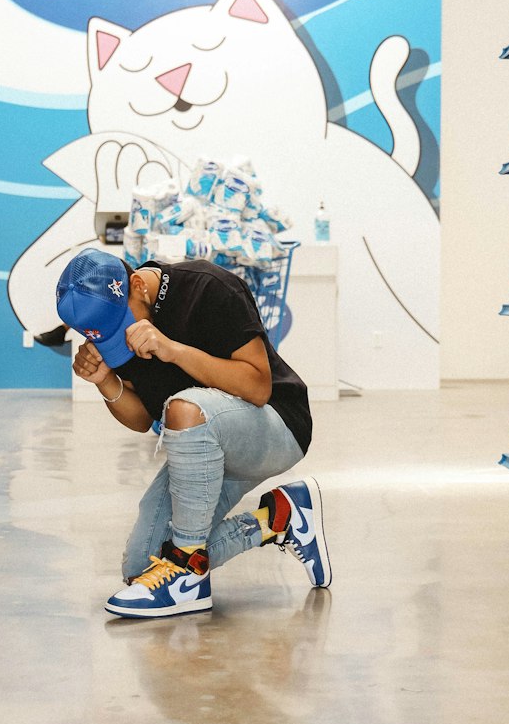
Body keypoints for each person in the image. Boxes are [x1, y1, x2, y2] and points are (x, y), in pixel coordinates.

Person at [55, 248, 330, 619]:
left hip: (276, 426)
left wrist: (173, 350)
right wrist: (105, 380)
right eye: (105, 338)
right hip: (204, 448)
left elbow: (259, 386)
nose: (124, 343)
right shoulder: (120, 331)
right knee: (143, 570)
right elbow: (140, 419)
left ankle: (188, 573)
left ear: (136, 283)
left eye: (121, 328)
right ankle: (279, 518)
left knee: (185, 409)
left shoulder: (210, 287)